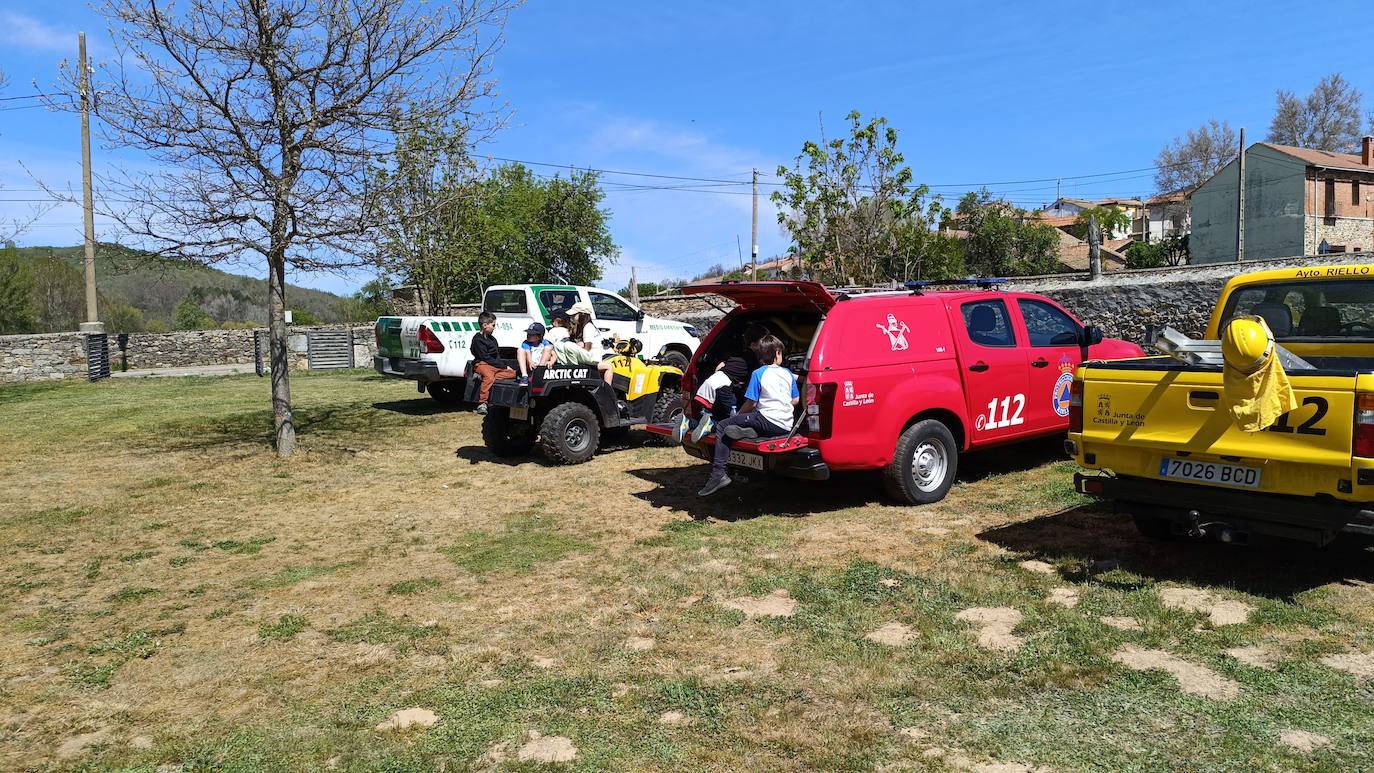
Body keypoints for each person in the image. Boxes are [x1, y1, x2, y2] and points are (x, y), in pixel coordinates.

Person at [699, 335, 797, 496]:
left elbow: (751, 403)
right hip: (785, 425)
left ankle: (718, 475)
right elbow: (795, 400)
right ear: (777, 353)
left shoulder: (758, 373)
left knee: (724, 425)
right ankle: (749, 431)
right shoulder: (787, 373)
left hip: (767, 420)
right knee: (751, 421)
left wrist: (737, 415)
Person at [689, 355, 749, 443]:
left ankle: (688, 423)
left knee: (718, 415)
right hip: (723, 387)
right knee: (733, 419)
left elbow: (720, 366)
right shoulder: (750, 360)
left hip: (709, 384)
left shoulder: (732, 356)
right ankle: (711, 425)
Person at [470, 311, 515, 415]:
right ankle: (482, 403)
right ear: (485, 325)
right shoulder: (477, 340)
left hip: (493, 365)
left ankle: (483, 377)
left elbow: (496, 355)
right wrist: (502, 366)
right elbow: (484, 357)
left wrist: (504, 367)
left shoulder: (492, 339)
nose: (494, 327)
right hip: (482, 363)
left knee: (513, 373)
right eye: (493, 325)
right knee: (489, 377)